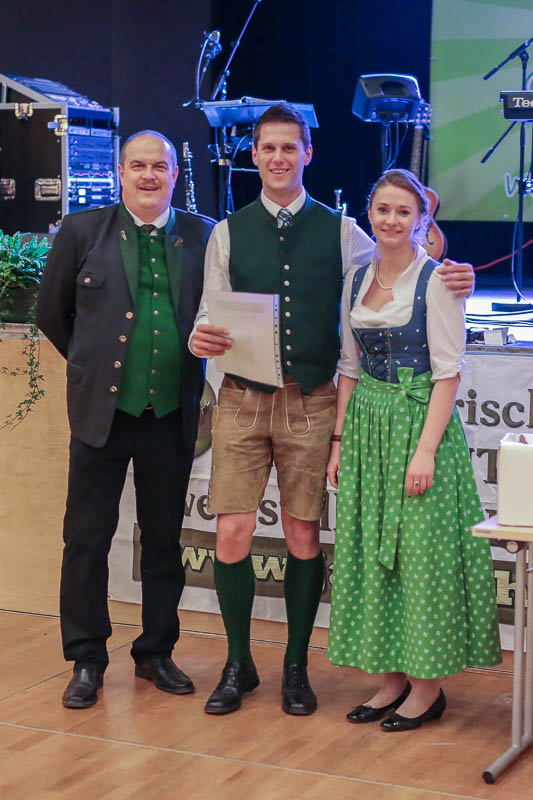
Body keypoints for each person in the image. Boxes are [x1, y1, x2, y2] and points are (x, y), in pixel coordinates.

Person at [189, 104, 476, 717]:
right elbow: (210, 312)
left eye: (289, 147)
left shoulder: (346, 232)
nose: (278, 158)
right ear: (253, 155)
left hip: (312, 399)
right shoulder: (226, 232)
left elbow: (406, 254)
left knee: (302, 532)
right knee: (232, 531)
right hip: (241, 399)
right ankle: (239, 664)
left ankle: (296, 668)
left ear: (308, 154)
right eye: (268, 148)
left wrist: (457, 275)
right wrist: (198, 337)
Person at [37, 130, 214, 709]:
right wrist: (90, 368)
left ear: (174, 174)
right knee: (86, 539)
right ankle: (87, 658)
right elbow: (52, 313)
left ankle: (156, 652)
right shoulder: (81, 230)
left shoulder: (203, 235)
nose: (148, 175)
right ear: (120, 172)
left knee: (163, 539)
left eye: (159, 166)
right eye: (137, 165)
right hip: (101, 415)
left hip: (170, 414)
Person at [326, 168, 501, 731]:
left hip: (418, 425)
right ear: (369, 214)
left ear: (423, 220)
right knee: (374, 551)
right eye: (383, 209)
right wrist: (339, 440)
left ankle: (427, 687)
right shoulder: (356, 279)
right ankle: (390, 679)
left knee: (420, 555)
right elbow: (349, 367)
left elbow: (448, 373)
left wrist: (425, 451)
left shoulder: (438, 281)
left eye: (404, 211)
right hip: (368, 426)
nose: (391, 220)